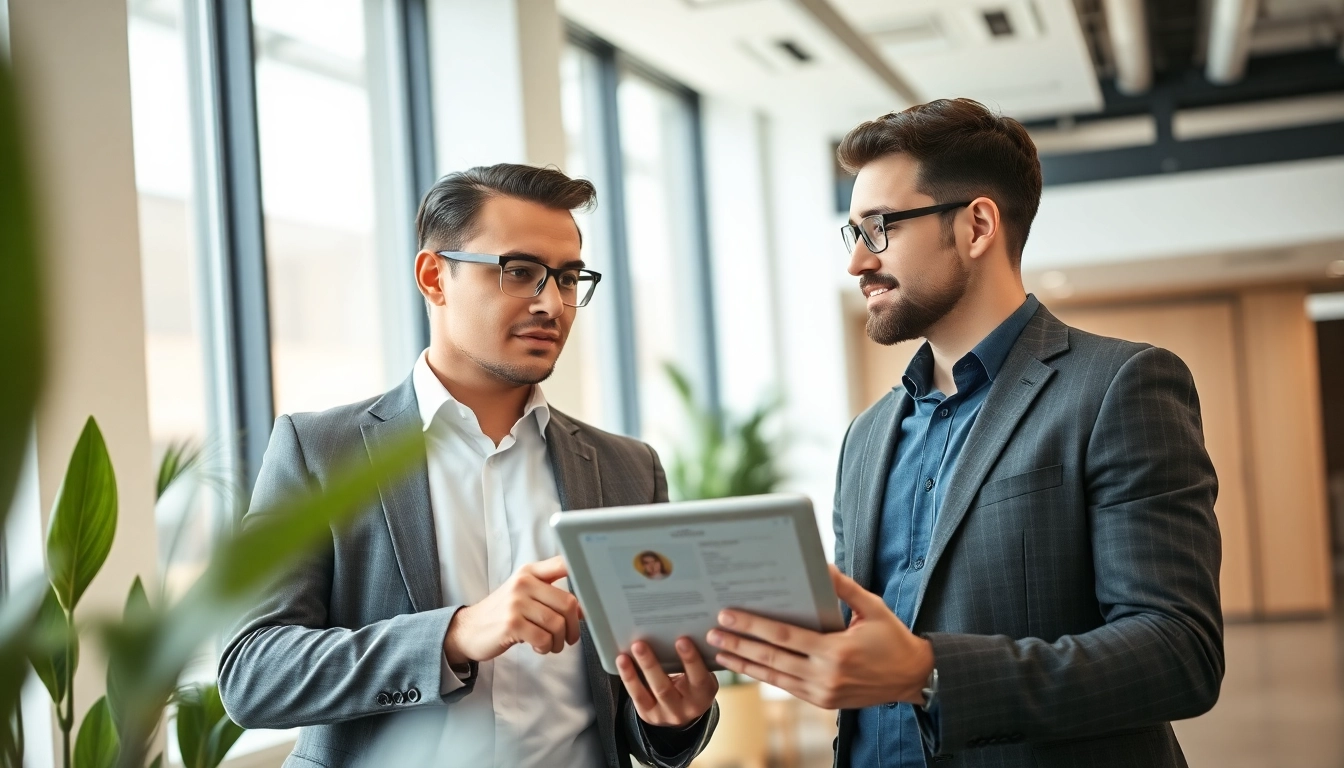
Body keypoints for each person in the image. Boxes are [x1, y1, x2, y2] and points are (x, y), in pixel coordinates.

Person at [703, 99, 1223, 767]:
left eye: (881, 227)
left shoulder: (1119, 386)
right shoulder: (867, 438)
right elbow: (865, 642)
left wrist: (927, 670)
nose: (858, 262)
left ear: (977, 225)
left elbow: (1179, 652)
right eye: (853, 232)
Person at [218, 164, 718, 768]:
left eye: (566, 278)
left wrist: (675, 716)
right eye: (521, 272)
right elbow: (252, 671)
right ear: (435, 277)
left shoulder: (628, 469)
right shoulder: (321, 452)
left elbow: (645, 708)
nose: (551, 303)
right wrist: (454, 635)